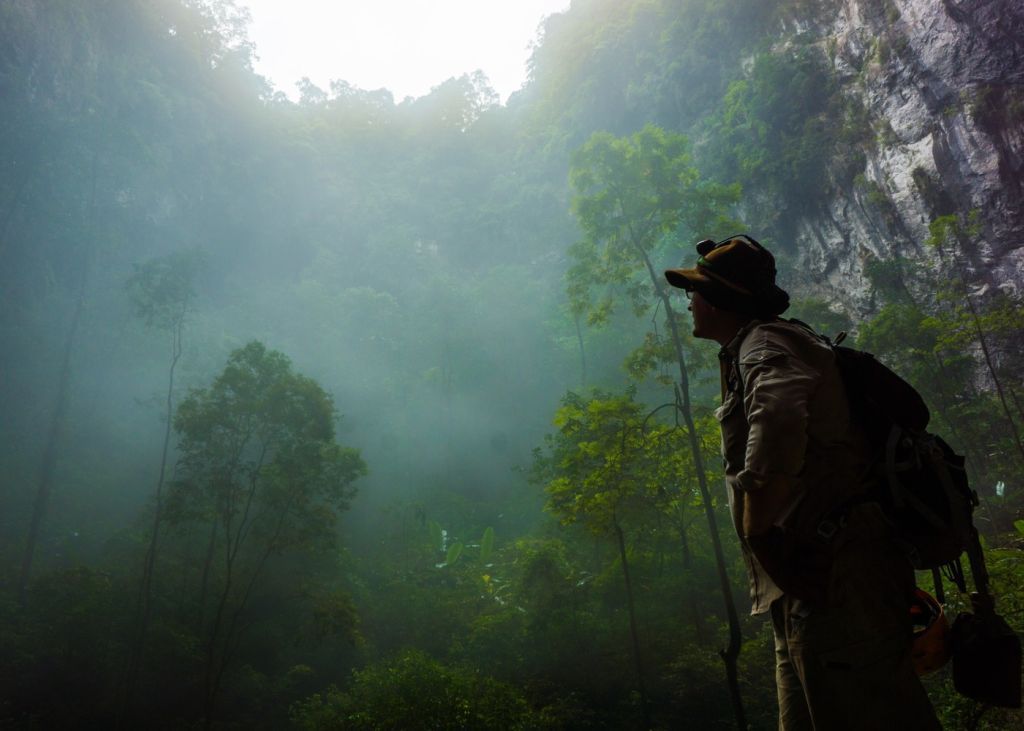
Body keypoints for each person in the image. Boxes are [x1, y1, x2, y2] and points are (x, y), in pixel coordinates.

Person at [664, 235, 940, 730]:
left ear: (721, 299)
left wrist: (760, 532)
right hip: (804, 580)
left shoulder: (766, 343)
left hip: (835, 571)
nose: (691, 302)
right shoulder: (754, 346)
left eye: (696, 292)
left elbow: (778, 419)